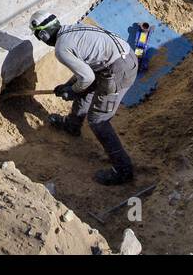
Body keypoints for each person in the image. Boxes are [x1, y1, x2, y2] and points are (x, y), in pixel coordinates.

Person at [30, 10, 137, 185]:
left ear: (42, 35)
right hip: (123, 57)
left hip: (117, 70)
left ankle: (123, 170)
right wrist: (70, 86)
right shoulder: (74, 28)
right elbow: (86, 71)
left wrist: (72, 91)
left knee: (98, 120)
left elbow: (87, 78)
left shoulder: (61, 49)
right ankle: (73, 125)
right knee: (84, 90)